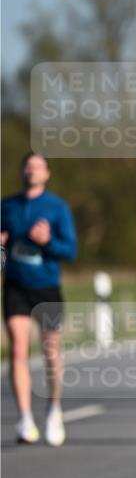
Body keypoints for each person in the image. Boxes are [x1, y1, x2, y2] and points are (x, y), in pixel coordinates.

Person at [1, 153, 77, 445]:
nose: (32, 171)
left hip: (47, 287)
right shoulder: (7, 206)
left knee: (50, 351)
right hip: (15, 287)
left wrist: (48, 242)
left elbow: (70, 251)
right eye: (28, 166)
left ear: (47, 174)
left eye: (38, 167)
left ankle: (54, 408)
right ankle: (24, 417)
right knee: (18, 349)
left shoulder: (57, 208)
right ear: (22, 171)